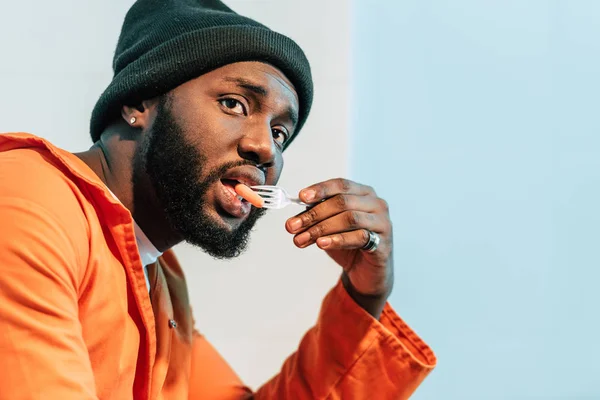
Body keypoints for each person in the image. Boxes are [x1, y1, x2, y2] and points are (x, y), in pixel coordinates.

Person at [0, 0, 436, 398]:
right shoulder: (27, 201)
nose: (267, 148)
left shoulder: (159, 279)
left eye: (280, 132)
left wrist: (366, 294)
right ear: (139, 100)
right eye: (234, 103)